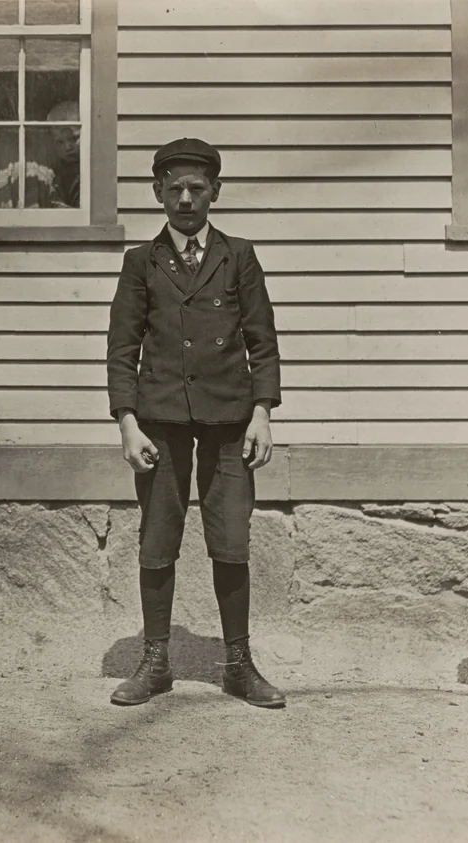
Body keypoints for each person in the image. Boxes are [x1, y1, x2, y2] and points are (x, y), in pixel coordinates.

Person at [104, 138, 285, 708]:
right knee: (158, 540)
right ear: (157, 191)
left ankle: (238, 663)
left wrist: (262, 414)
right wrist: (127, 423)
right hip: (159, 420)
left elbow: (263, 342)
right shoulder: (141, 261)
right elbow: (122, 346)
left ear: (215, 192)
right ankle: (155, 661)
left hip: (231, 420)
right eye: (174, 188)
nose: (185, 199)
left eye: (197, 189)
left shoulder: (240, 255)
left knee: (231, 539)